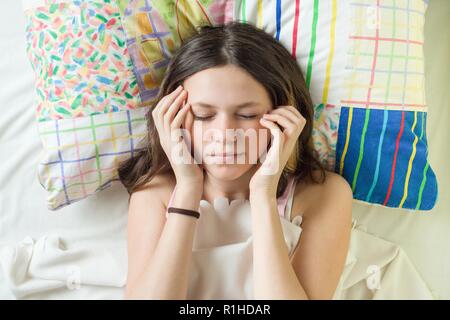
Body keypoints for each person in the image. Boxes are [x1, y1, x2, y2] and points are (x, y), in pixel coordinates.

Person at [118, 21, 353, 300]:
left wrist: (263, 193)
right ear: (173, 118)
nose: (225, 135)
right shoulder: (156, 193)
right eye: (204, 116)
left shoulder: (322, 195)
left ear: (283, 115)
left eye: (247, 115)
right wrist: (188, 188)